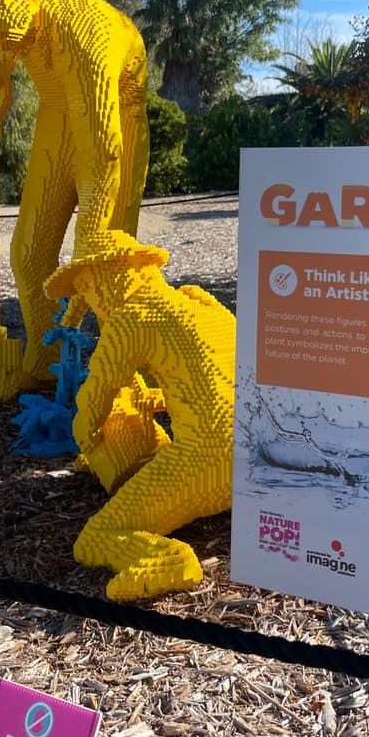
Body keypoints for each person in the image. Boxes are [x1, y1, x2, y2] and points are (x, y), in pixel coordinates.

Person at [0, 0, 150, 392]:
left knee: (104, 263)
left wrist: (91, 236)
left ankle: (130, 375)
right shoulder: (23, 5)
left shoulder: (83, 31)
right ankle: (47, 358)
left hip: (113, 114)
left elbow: (104, 146)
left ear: (12, 6)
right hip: (58, 112)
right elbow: (15, 41)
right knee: (29, 253)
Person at [43, 231, 236, 602]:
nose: (91, 302)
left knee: (95, 537)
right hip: (264, 456)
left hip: (210, 460)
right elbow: (216, 384)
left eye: (87, 288)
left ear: (112, 277)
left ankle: (167, 559)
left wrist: (92, 440)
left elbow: (91, 403)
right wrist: (156, 401)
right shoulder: (204, 305)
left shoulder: (131, 318)